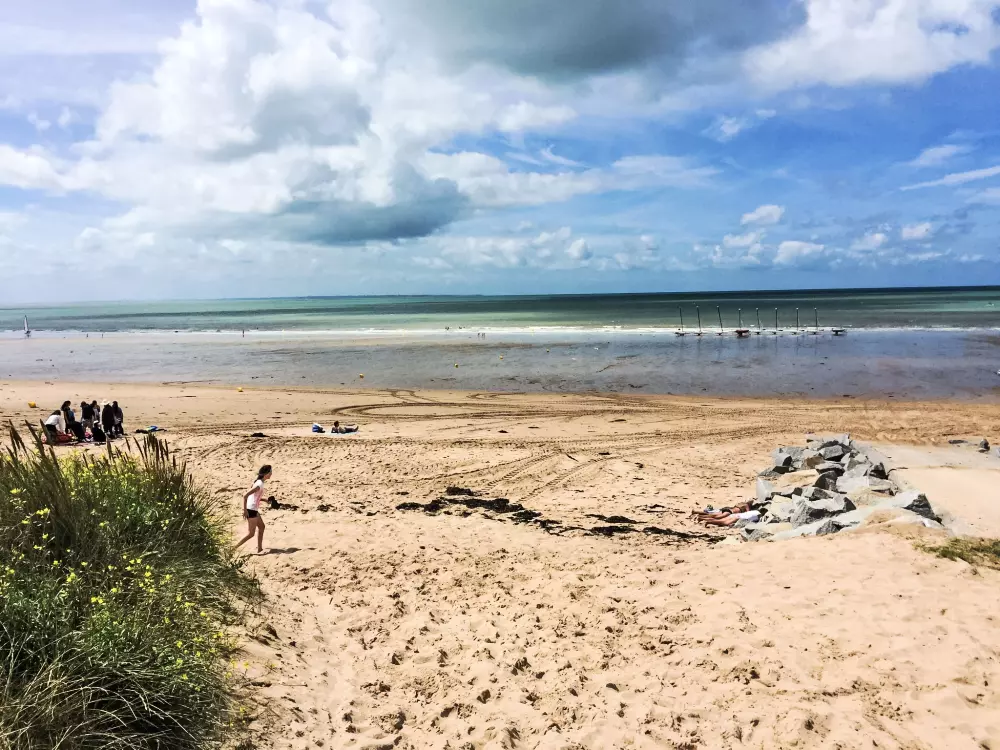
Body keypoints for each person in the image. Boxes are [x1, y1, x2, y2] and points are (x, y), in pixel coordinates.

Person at [236, 465, 271, 554]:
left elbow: (254, 496)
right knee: (251, 534)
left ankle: (259, 549)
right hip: (251, 510)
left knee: (262, 527)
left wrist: (264, 500)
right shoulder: (259, 484)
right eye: (270, 472)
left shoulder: (260, 482)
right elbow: (245, 495)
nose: (271, 474)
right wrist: (245, 510)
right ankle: (233, 548)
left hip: (253, 509)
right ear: (266, 474)